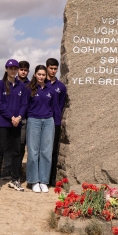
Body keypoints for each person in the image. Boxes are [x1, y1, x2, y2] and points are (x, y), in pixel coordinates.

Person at [0, 59, 27, 192]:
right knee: (0, 150)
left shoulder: (21, 86)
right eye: (10, 68)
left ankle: (15, 179)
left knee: (17, 151)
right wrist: (11, 117)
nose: (13, 70)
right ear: (6, 69)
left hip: (16, 123)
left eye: (15, 68)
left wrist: (18, 117)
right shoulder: (0, 84)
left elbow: (24, 104)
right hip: (3, 121)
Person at [25, 65, 57, 192]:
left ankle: (44, 181)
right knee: (33, 151)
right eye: (39, 74)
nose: (41, 77)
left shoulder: (51, 89)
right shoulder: (29, 89)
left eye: (43, 75)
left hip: (49, 121)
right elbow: (25, 106)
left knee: (46, 152)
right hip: (34, 120)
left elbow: (55, 107)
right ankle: (33, 181)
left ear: (46, 76)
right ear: (35, 75)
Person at [46, 58, 67, 186]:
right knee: (42, 150)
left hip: (55, 122)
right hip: (42, 120)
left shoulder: (61, 87)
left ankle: (51, 178)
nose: (53, 71)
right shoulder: (41, 83)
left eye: (55, 69)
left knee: (53, 151)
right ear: (47, 67)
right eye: (51, 68)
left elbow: (61, 104)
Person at [14, 60, 31, 179]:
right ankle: (8, 168)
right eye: (21, 69)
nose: (23, 72)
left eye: (25, 70)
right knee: (8, 145)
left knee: (21, 145)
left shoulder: (31, 85)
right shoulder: (10, 82)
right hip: (10, 118)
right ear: (17, 70)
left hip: (25, 118)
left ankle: (18, 169)